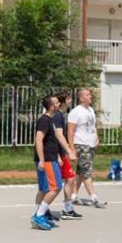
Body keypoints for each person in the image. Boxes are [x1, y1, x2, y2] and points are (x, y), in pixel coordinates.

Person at [68, 89, 107, 208]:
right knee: (87, 171)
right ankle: (93, 197)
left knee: (80, 172)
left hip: (90, 145)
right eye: (87, 95)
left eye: (90, 94)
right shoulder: (76, 112)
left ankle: (73, 196)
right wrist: (72, 148)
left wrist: (97, 138)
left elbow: (94, 126)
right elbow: (70, 131)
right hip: (81, 144)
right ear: (81, 98)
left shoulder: (90, 110)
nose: (90, 96)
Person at [31, 95, 63, 230]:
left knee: (44, 189)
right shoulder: (44, 120)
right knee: (55, 187)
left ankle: (39, 214)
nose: (59, 103)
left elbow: (51, 141)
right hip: (47, 159)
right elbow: (38, 140)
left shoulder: (51, 119)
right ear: (51, 106)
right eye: (56, 102)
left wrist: (59, 157)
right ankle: (38, 216)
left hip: (51, 157)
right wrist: (42, 160)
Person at [53, 92, 82, 220]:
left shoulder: (61, 115)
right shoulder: (58, 116)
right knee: (53, 185)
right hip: (58, 154)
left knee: (70, 179)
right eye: (69, 98)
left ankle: (67, 208)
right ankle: (42, 210)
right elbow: (57, 136)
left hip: (61, 153)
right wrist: (67, 152)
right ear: (63, 101)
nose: (71, 100)